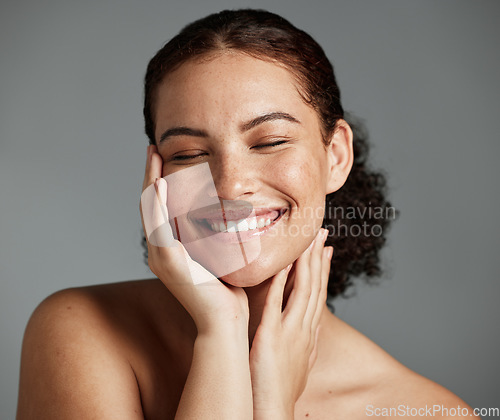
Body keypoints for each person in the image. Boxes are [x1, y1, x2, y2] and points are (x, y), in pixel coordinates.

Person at [17, 9, 477, 419]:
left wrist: (271, 407)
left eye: (270, 142)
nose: (230, 184)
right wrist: (221, 337)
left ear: (335, 156)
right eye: (190, 153)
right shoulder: (80, 333)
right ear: (157, 176)